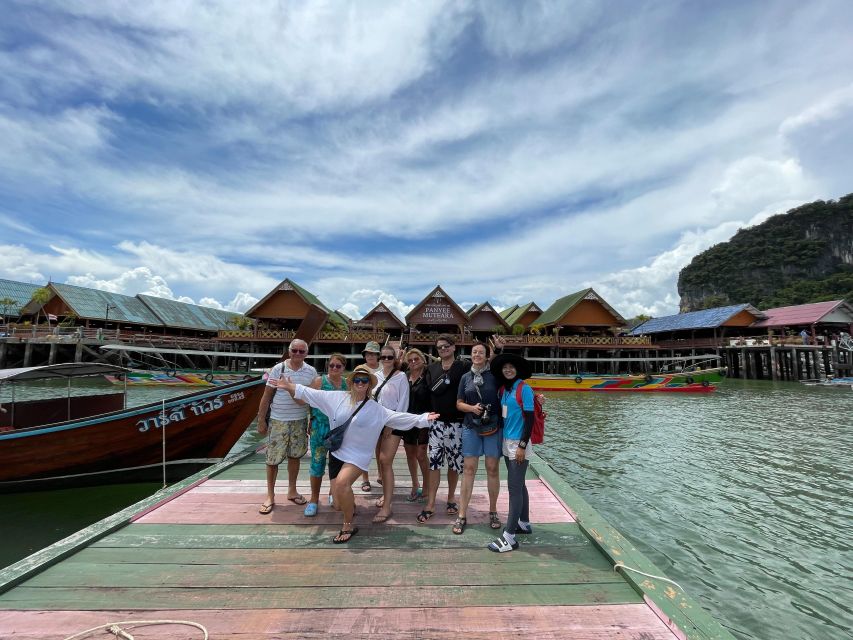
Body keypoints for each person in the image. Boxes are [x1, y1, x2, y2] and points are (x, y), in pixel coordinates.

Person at [276, 365, 438, 543]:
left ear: (369, 385)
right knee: (337, 504)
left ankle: (348, 525)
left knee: (342, 483)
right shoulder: (336, 398)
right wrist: (288, 386)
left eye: (365, 380)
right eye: (357, 380)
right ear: (351, 383)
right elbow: (308, 393)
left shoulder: (376, 409)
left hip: (358, 456)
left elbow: (400, 417)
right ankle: (348, 504)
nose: (360, 383)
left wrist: (423, 418)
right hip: (337, 453)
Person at [256, 339, 317, 514]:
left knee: (295, 456)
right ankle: (270, 496)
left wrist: (312, 419)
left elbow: (312, 399)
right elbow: (266, 396)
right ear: (289, 351)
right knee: (272, 459)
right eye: (294, 350)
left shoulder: (311, 372)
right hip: (278, 419)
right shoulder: (278, 369)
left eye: (301, 351)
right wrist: (261, 420)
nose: (298, 354)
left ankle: (292, 490)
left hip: (299, 420)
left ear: (306, 353)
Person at [418, 334, 470, 523]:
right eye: (439, 347)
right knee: (434, 464)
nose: (443, 349)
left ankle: (450, 498)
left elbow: (485, 371)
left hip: (457, 422)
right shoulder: (431, 368)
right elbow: (422, 392)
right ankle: (431, 503)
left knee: (454, 464)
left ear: (454, 347)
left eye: (447, 346)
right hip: (437, 424)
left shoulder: (464, 366)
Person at [487, 352, 535, 552]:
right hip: (506, 441)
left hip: (518, 444)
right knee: (519, 484)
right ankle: (523, 522)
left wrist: (523, 446)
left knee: (514, 489)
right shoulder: (504, 390)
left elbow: (530, 419)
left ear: (517, 370)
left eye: (511, 367)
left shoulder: (524, 388)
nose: (508, 370)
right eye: (505, 367)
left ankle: (510, 537)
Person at [454, 341, 502, 534]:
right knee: (469, 469)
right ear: (471, 355)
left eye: (481, 352)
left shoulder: (495, 376)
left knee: (492, 469)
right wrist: (472, 408)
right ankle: (462, 514)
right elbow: (458, 403)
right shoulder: (466, 377)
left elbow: (508, 394)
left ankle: (493, 510)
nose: (477, 355)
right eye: (474, 352)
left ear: (487, 355)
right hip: (470, 427)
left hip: (492, 428)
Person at [303, 353, 347, 517]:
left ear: (343, 368)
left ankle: (332, 493)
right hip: (319, 428)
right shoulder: (319, 381)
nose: (334, 368)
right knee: (317, 463)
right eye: (331, 365)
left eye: (338, 366)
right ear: (327, 366)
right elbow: (309, 401)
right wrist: (310, 420)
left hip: (338, 429)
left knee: (337, 464)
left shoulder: (346, 383)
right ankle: (314, 500)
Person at [373, 345, 411, 522]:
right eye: (384, 357)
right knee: (380, 460)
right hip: (375, 423)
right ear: (379, 358)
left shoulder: (401, 376)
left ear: (395, 359)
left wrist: (392, 424)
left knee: (385, 460)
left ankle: (387, 506)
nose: (386, 360)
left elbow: (403, 403)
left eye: (390, 357)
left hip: (392, 423)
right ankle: (384, 495)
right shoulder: (375, 376)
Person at [401, 348, 430, 503]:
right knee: (409, 454)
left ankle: (427, 486)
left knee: (421, 454)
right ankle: (415, 485)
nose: (413, 362)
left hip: (424, 419)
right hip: (407, 419)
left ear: (422, 360)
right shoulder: (404, 377)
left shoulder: (428, 376)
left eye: (416, 359)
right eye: (410, 360)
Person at [359, 341, 382, 493]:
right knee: (364, 446)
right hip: (364, 410)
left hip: (380, 410)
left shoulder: (385, 366)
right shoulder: (360, 369)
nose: (370, 356)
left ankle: (381, 474)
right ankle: (365, 478)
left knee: (380, 446)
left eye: (373, 353)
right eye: (368, 353)